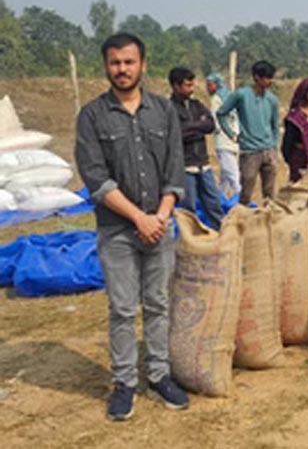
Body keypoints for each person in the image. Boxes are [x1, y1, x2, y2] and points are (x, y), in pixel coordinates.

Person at [74, 33, 189, 421]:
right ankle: (124, 383)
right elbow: (95, 178)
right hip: (117, 231)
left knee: (158, 304)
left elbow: (174, 170)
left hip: (160, 224)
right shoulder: (92, 116)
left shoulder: (163, 111)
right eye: (115, 63)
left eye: (128, 62)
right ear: (106, 66)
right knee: (123, 309)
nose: (122, 69)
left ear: (143, 65)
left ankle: (159, 375)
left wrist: (160, 215)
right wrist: (139, 218)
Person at [216, 60, 281, 205]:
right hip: (250, 152)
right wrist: (231, 134)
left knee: (269, 193)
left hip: (268, 150)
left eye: (271, 78)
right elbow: (221, 113)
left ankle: (268, 216)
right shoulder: (241, 95)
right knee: (246, 191)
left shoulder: (272, 99)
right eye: (267, 78)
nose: (270, 81)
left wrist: (274, 146)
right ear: (257, 78)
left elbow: (275, 125)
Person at [169, 67, 225, 230]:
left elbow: (210, 125)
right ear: (176, 86)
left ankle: (221, 233)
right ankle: (191, 238)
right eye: (187, 85)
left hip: (203, 163)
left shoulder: (196, 105)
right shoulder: (168, 108)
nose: (192, 89)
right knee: (188, 208)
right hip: (185, 166)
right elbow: (176, 133)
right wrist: (198, 126)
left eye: (192, 85)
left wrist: (190, 126)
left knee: (213, 203)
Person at [206, 73, 241, 198]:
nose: (207, 88)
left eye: (210, 85)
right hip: (235, 138)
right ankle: (220, 198)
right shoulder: (230, 96)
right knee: (225, 175)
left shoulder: (216, 99)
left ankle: (240, 198)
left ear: (217, 85)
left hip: (223, 140)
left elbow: (216, 121)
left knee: (232, 174)